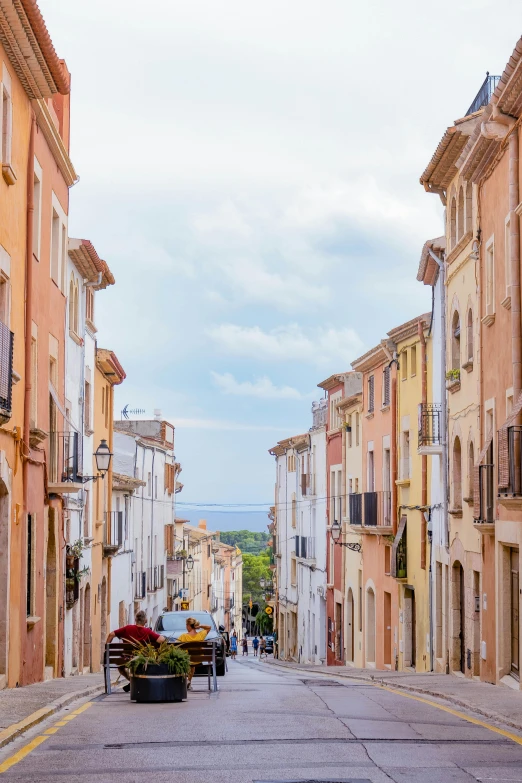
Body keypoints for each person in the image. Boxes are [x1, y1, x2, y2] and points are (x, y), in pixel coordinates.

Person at [106, 610, 166, 692]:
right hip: (142, 659)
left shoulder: (127, 628)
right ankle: (134, 682)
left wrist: (107, 650)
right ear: (145, 621)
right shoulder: (148, 631)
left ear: (135, 620)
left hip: (126, 659)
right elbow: (161, 640)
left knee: (121, 667)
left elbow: (111, 634)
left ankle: (132, 681)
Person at [177, 617, 212, 690]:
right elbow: (209, 627)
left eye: (186, 625)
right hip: (199, 660)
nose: (186, 627)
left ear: (189, 626)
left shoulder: (183, 636)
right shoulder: (201, 635)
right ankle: (189, 681)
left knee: (189, 661)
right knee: (193, 664)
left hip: (187, 660)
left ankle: (187, 681)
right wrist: (200, 626)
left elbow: (176, 646)